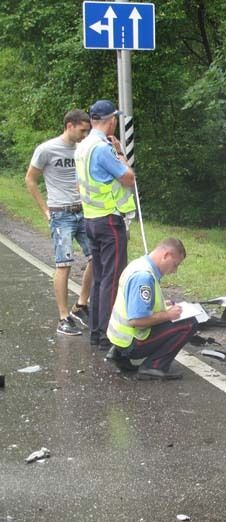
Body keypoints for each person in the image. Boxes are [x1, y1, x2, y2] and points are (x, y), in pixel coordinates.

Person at [25, 109, 94, 336]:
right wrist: (45, 210)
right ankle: (63, 317)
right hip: (60, 213)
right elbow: (31, 179)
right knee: (63, 264)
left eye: (88, 131)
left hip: (83, 211)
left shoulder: (83, 149)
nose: (85, 135)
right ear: (70, 126)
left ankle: (81, 304)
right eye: (82, 130)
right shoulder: (47, 149)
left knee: (97, 256)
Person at [75, 99, 136, 350]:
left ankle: (97, 332)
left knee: (101, 278)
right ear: (111, 121)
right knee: (112, 278)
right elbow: (128, 178)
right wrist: (121, 153)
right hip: (110, 219)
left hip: (91, 218)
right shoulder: (102, 148)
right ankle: (108, 336)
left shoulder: (82, 147)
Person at [106, 238, 199, 380]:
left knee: (176, 318)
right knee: (190, 323)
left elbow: (135, 302)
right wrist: (168, 315)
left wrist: (163, 305)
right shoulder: (144, 277)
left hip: (119, 339)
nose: (174, 271)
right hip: (131, 342)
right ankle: (154, 366)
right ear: (166, 255)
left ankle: (117, 354)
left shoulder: (138, 264)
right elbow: (136, 320)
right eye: (175, 265)